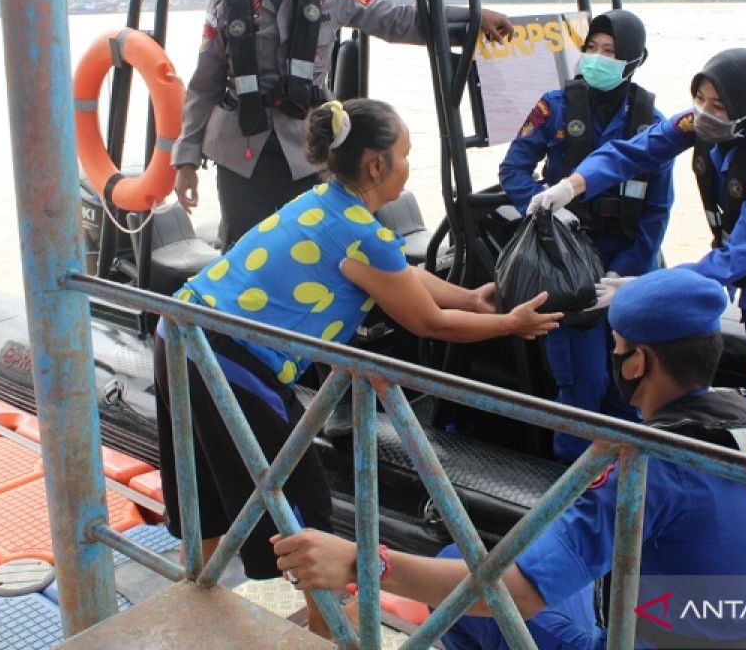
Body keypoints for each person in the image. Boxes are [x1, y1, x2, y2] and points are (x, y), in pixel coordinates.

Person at [155, 98, 560, 636]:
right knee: (300, 508)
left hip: (179, 332)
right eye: (405, 155)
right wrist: (510, 324)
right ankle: (334, 630)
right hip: (226, 360)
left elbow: (404, 277)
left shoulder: (325, 203)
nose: (407, 167)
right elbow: (427, 322)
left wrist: (473, 299)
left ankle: (199, 611)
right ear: (376, 165)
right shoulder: (359, 232)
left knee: (204, 492)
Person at [270, 269, 746, 648]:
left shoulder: (651, 468)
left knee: (464, 579)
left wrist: (366, 562)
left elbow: (516, 595)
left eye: (618, 347)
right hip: (731, 633)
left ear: (638, 362)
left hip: (643, 635)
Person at [529, 48, 746, 464]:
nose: (704, 112)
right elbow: (633, 152)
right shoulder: (703, 125)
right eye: (700, 99)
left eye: (718, 105)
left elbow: (739, 255)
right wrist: (571, 185)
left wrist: (650, 284)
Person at [171, 0, 515, 248]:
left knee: (316, 249)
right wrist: (185, 162)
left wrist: (473, 18)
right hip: (241, 154)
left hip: (308, 148)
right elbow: (203, 88)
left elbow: (398, 19)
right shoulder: (225, 4)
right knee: (244, 251)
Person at [498, 9, 674, 461]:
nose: (597, 58)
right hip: (564, 258)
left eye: (610, 52)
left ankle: (625, 489)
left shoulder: (654, 125)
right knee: (581, 386)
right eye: (591, 48)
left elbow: (657, 209)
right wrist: (546, 210)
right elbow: (514, 168)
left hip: (628, 261)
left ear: (634, 60)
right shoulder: (553, 106)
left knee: (631, 383)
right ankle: (569, 491)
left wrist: (625, 276)